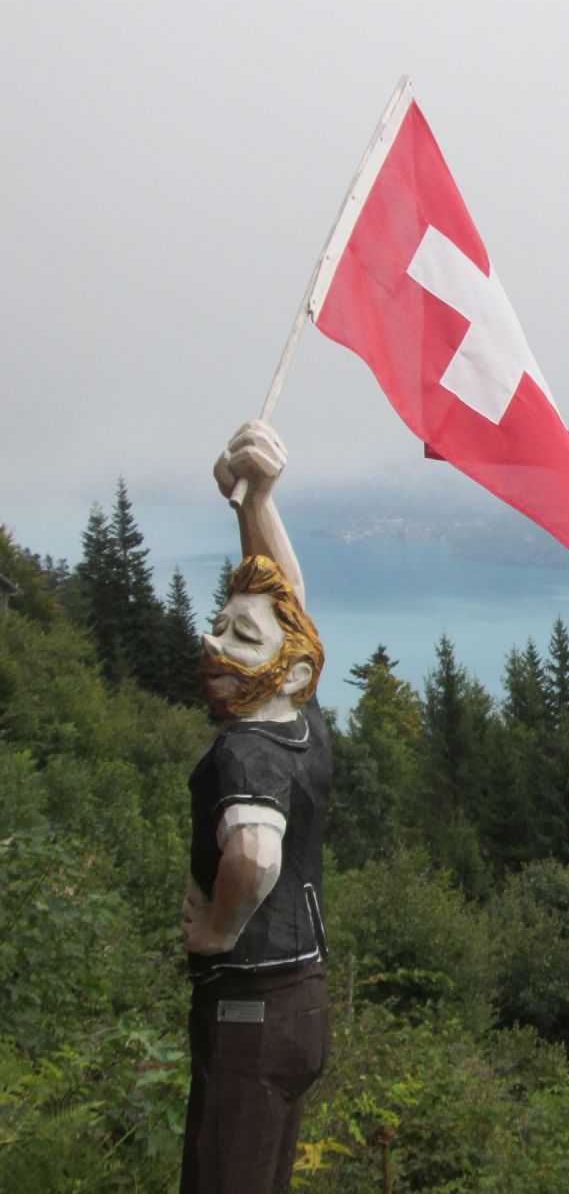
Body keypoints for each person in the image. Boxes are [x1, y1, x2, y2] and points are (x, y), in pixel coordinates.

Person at [180, 420, 332, 1194]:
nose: (214, 645)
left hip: (249, 1002)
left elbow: (254, 854)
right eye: (217, 628)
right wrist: (257, 502)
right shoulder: (301, 726)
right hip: (304, 1002)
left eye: (237, 637)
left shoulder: (246, 751)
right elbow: (287, 607)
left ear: (287, 669)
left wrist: (216, 927)